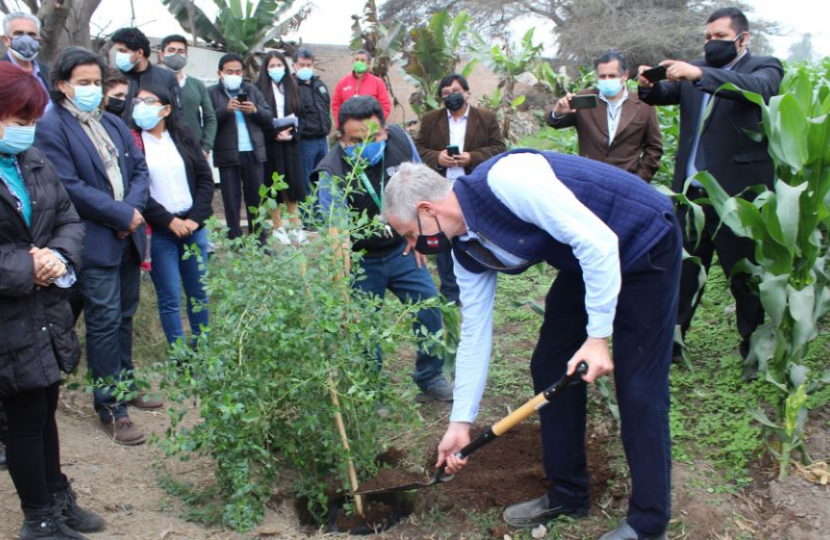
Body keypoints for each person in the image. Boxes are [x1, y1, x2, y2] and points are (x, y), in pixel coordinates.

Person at [381, 151, 682, 540]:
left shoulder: (509, 180)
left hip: (640, 241)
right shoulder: (464, 248)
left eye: (409, 233)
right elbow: (475, 333)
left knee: (640, 388)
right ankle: (569, 493)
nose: (411, 246)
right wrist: (460, 422)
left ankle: (647, 523)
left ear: (427, 208)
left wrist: (597, 339)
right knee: (551, 363)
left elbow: (600, 243)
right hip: (584, 259)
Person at [638, 7, 783, 361]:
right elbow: (664, 94)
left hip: (738, 198)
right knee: (684, 272)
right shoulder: (692, 74)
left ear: (742, 38)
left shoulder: (764, 66)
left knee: (745, 276)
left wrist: (701, 72)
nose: (711, 43)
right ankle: (671, 345)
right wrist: (649, 86)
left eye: (719, 37)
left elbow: (760, 90)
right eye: (707, 38)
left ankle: (754, 351)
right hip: (693, 196)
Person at [0, 62, 105, 540]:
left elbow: (68, 217)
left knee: (45, 408)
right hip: (8, 315)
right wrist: (29, 265)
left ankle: (57, 496)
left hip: (42, 310)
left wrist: (60, 257)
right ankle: (38, 519)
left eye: (30, 120)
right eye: (18, 120)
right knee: (23, 418)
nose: (26, 129)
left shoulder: (32, 161)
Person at [35, 46, 156, 446]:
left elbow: (139, 169)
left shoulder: (112, 122)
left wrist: (132, 213)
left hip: (128, 235)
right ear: (62, 85)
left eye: (97, 82)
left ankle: (124, 385)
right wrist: (120, 215)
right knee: (102, 321)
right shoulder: (52, 127)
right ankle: (110, 407)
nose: (92, 89)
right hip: (95, 240)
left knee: (123, 315)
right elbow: (69, 185)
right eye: (83, 82)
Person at [314, 96, 453, 402]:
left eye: (373, 138)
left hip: (400, 248)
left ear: (386, 131)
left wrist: (418, 237)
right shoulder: (332, 172)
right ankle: (370, 391)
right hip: (361, 259)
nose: (366, 146)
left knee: (429, 306)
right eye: (356, 141)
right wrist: (344, 294)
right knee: (365, 326)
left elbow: (419, 191)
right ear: (342, 139)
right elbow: (337, 239)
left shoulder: (401, 143)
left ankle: (430, 378)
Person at [131, 84, 214, 348]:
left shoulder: (183, 135)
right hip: (160, 232)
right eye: (138, 101)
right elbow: (138, 190)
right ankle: (180, 355)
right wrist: (169, 221)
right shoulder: (133, 141)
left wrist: (194, 219)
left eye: (149, 100)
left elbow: (204, 178)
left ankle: (202, 349)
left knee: (198, 292)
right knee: (170, 296)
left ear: (166, 108)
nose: (141, 106)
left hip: (192, 226)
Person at [414, 73, 506, 303]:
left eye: (455, 91)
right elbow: (418, 149)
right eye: (445, 93)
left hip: (472, 185)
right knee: (444, 236)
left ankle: (477, 285)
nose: (451, 96)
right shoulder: (430, 119)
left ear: (466, 92)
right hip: (442, 188)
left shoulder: (485, 118)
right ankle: (450, 292)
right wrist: (438, 158)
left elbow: (498, 148)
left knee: (473, 235)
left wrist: (471, 158)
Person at [546, 50, 662, 182]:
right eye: (602, 76)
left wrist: (639, 180)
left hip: (625, 182)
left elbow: (654, 148)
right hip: (588, 180)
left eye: (612, 76)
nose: (607, 80)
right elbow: (554, 122)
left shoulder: (644, 104)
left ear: (625, 76)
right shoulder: (584, 100)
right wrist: (558, 112)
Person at [208, 53, 273, 240]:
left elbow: (268, 117)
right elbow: (207, 120)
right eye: (230, 71)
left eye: (238, 71)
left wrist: (254, 110)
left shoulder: (252, 91)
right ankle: (235, 239)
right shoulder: (212, 93)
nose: (234, 74)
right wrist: (225, 110)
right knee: (231, 199)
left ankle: (259, 238)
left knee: (256, 198)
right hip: (228, 153)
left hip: (253, 152)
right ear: (220, 73)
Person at [256, 51, 307, 244]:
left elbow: (303, 115)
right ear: (266, 69)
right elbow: (258, 117)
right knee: (273, 185)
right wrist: (273, 133)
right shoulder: (258, 88)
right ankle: (278, 227)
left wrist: (293, 134)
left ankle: (296, 225)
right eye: (272, 66)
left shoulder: (292, 87)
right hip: (271, 143)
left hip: (290, 143)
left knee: (292, 184)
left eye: (279, 65)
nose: (276, 69)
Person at [158, 34, 217, 159]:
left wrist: (206, 148)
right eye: (171, 50)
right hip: (164, 150)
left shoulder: (196, 85)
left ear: (186, 55)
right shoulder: (153, 85)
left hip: (195, 149)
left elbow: (210, 118)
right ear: (162, 54)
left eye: (181, 51)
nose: (176, 55)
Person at [110, 27, 182, 123]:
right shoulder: (113, 78)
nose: (119, 55)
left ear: (139, 52)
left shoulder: (167, 78)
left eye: (123, 51)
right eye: (117, 51)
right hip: (121, 135)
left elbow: (176, 114)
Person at [294, 48, 332, 194]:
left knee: (323, 179)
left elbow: (326, 107)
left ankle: (322, 214)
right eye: (302, 65)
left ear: (313, 65)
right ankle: (309, 216)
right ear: (295, 66)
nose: (305, 68)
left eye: (308, 65)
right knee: (307, 180)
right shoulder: (293, 87)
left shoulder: (319, 85)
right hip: (305, 141)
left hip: (322, 139)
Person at [331, 49, 392, 128]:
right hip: (349, 130)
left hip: (370, 130)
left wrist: (376, 126)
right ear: (352, 62)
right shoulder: (342, 83)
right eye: (357, 59)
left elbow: (385, 105)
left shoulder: (377, 82)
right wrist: (340, 126)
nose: (359, 62)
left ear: (369, 64)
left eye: (362, 60)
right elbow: (336, 105)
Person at [1, 12, 50, 95]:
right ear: (6, 40)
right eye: (18, 33)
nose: (26, 39)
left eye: (32, 34)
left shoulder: (49, 73)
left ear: (39, 39)